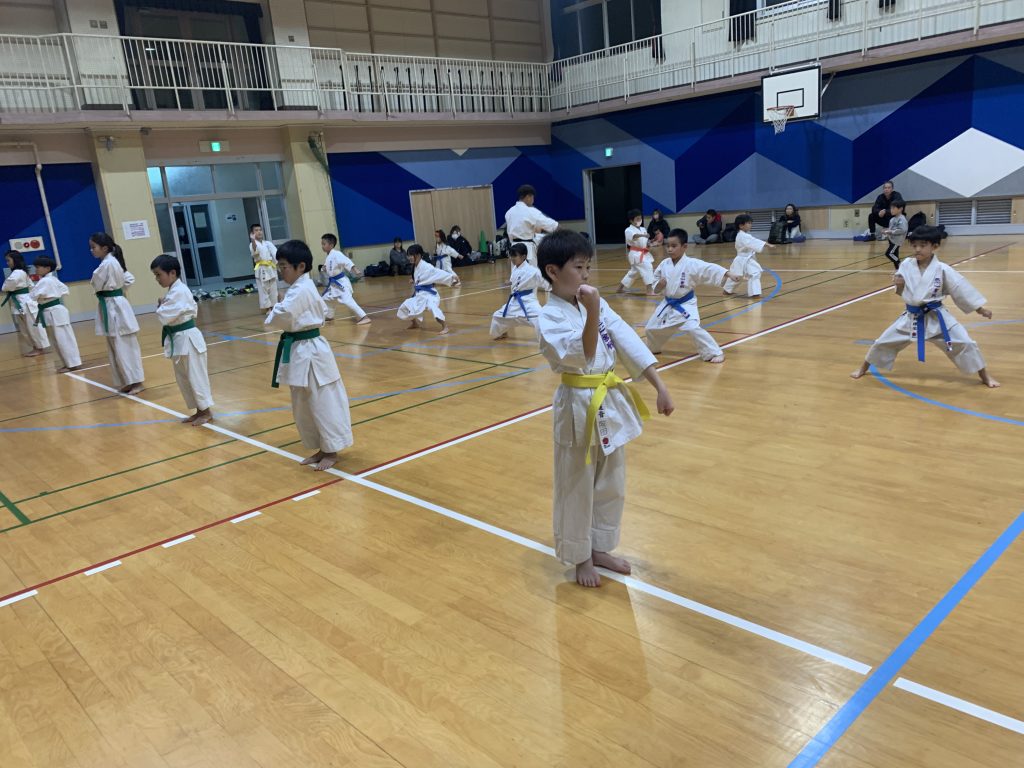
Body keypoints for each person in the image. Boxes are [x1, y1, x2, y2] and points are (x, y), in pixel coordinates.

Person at [537, 229, 674, 588]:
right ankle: (580, 556)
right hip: (576, 405)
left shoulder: (591, 303)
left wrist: (660, 386)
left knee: (612, 480)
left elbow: (626, 339)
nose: (585, 275)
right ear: (553, 271)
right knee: (577, 484)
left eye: (588, 267)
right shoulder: (549, 316)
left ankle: (599, 547)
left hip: (607, 401)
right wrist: (594, 309)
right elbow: (581, 354)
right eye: (578, 267)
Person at [851, 226, 999, 388]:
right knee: (883, 342)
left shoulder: (942, 269)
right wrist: (898, 284)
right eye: (914, 245)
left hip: (937, 317)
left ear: (934, 246)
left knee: (966, 343)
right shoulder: (906, 265)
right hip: (911, 317)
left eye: (922, 245)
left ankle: (985, 376)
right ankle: (863, 368)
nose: (917, 249)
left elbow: (960, 289)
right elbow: (901, 292)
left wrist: (980, 309)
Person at [265, 239, 354, 471]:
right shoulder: (299, 288)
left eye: (284, 266)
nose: (281, 271)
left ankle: (331, 450)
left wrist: (277, 306)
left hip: (312, 351)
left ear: (301, 266)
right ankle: (322, 447)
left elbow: (281, 315)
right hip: (300, 349)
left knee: (321, 401)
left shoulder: (302, 289)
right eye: (279, 266)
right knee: (304, 403)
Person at [644, 229, 741, 362]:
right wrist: (659, 285)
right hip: (667, 303)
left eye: (674, 246)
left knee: (692, 327)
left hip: (685, 304)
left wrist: (728, 274)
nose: (670, 249)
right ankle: (653, 348)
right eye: (668, 246)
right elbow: (656, 286)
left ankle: (714, 353)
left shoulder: (691, 264)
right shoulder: (664, 264)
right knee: (651, 327)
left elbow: (709, 268)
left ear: (684, 246)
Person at [151, 254, 214, 426]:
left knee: (196, 376)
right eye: (155, 275)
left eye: (159, 274)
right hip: (179, 339)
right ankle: (199, 410)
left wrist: (161, 306)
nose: (157, 279)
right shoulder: (174, 291)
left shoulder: (180, 291)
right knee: (184, 378)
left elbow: (164, 316)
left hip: (188, 338)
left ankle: (206, 411)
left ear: (172, 273)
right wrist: (163, 305)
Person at [90, 232, 145, 394]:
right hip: (111, 304)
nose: (91, 250)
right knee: (116, 346)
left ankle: (136, 382)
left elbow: (96, 283)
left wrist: (116, 290)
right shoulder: (110, 263)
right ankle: (126, 380)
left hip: (115, 307)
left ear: (104, 248)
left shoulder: (108, 264)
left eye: (93, 247)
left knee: (125, 346)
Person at [29, 255, 81, 372]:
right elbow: (64, 289)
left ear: (47, 268)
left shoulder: (46, 281)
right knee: (60, 340)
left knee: (63, 339)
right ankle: (69, 363)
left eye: (38, 267)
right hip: (53, 311)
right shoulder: (51, 279)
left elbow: (33, 296)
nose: (36, 269)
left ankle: (72, 364)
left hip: (54, 311)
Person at [397, 243, 460, 335]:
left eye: (411, 255)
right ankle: (415, 323)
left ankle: (445, 326)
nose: (409, 257)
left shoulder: (426, 266)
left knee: (433, 308)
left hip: (429, 295)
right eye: (408, 255)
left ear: (418, 255)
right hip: (420, 295)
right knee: (406, 306)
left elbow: (437, 273)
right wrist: (414, 281)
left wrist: (451, 277)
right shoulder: (415, 266)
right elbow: (421, 278)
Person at [490, 242, 543, 340]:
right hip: (514, 302)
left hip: (528, 302)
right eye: (511, 256)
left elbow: (545, 281)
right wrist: (509, 282)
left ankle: (547, 340)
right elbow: (516, 281)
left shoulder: (533, 271)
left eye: (515, 256)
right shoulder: (515, 268)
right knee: (497, 316)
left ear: (524, 257)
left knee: (542, 318)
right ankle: (501, 332)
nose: (512, 258)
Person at [3, 249, 49, 356]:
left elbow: (6, 287)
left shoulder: (18, 273)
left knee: (31, 327)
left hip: (24, 303)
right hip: (23, 301)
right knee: (26, 328)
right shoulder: (21, 272)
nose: (7, 263)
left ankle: (39, 347)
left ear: (15, 260)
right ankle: (36, 347)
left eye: (8, 260)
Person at [320, 233, 371, 325]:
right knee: (326, 298)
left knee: (347, 300)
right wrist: (324, 268)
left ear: (331, 245)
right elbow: (330, 267)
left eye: (324, 244)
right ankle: (329, 315)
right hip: (334, 284)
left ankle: (364, 317)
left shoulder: (337, 254)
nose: (322, 246)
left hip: (341, 283)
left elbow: (346, 261)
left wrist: (355, 269)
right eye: (322, 244)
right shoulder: (329, 256)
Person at [504, 184, 558, 267]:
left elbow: (510, 232)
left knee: (517, 273)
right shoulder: (531, 211)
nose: (533, 200)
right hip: (527, 250)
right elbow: (552, 225)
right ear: (528, 196)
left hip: (514, 248)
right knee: (531, 273)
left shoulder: (509, 212)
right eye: (533, 197)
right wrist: (565, 233)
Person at [723, 214, 775, 298]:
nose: (751, 225)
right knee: (740, 275)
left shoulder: (743, 235)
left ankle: (753, 293)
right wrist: (767, 244)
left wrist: (765, 244)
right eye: (748, 223)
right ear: (741, 225)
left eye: (751, 223)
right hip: (742, 259)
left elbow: (753, 242)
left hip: (745, 259)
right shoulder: (743, 236)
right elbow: (754, 242)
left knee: (753, 273)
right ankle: (728, 290)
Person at [617, 209, 657, 296]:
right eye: (637, 219)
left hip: (643, 253)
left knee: (633, 273)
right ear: (631, 220)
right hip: (635, 254)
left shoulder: (643, 229)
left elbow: (644, 241)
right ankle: (649, 290)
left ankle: (620, 289)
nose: (639, 220)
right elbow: (634, 236)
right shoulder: (628, 230)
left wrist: (649, 243)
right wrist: (643, 235)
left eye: (640, 218)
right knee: (648, 267)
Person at [250, 223, 278, 313]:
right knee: (263, 289)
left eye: (260, 230)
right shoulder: (252, 244)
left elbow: (276, 254)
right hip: (261, 268)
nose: (259, 232)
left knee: (273, 288)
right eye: (256, 230)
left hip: (270, 267)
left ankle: (274, 306)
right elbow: (255, 252)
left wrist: (279, 264)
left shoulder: (268, 243)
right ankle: (268, 308)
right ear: (252, 233)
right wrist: (253, 240)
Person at [881, 199, 907, 267]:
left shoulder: (902, 219)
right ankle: (898, 270)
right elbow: (891, 229)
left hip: (896, 241)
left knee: (889, 253)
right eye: (891, 208)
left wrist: (890, 231)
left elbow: (902, 230)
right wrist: (886, 231)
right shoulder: (892, 219)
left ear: (900, 209)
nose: (891, 210)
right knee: (895, 255)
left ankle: (900, 264)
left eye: (893, 208)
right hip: (891, 240)